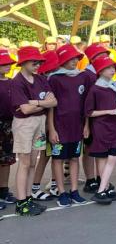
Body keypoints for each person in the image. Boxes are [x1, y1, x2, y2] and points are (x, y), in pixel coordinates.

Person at [10, 47, 57, 216]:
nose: (37, 65)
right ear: (23, 62)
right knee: (24, 163)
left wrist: (35, 102)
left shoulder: (41, 79)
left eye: (39, 62)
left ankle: (29, 197)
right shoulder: (17, 82)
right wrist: (41, 102)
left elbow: (53, 102)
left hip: (40, 122)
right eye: (34, 62)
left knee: (32, 162)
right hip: (24, 124)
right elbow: (24, 109)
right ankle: (21, 201)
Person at [46, 44, 91, 206]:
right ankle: (62, 192)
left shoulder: (83, 77)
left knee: (74, 158)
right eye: (70, 58)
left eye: (76, 58)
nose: (74, 61)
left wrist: (86, 125)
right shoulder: (54, 78)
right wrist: (51, 129)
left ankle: (74, 191)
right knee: (58, 159)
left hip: (77, 127)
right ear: (62, 60)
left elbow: (86, 104)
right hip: (59, 127)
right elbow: (51, 106)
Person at [84, 55, 116, 205]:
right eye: (108, 68)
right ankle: (104, 188)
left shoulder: (115, 86)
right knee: (103, 158)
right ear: (100, 71)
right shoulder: (95, 89)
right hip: (102, 127)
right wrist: (108, 111)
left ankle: (104, 188)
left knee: (113, 156)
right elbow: (89, 112)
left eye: (113, 68)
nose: (112, 70)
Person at [0, 49, 16, 209]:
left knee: (6, 160)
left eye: (9, 63)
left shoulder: (11, 82)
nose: (8, 66)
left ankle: (3, 190)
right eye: (4, 64)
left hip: (9, 124)